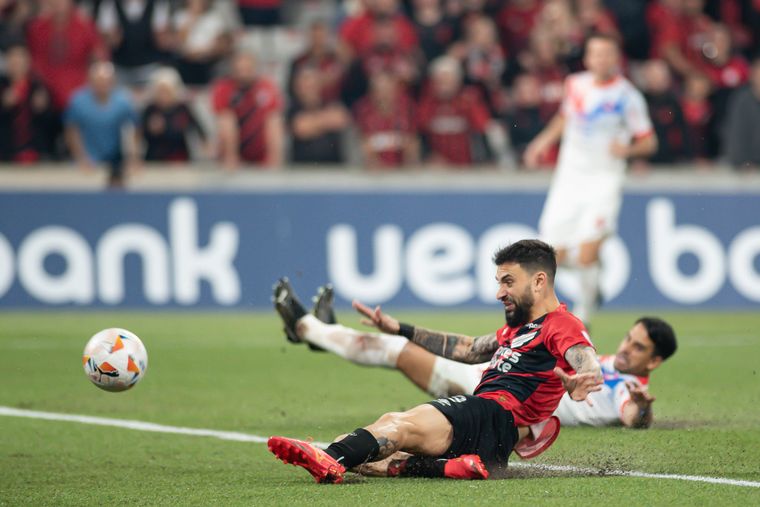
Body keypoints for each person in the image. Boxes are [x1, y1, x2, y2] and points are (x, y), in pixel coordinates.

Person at [269, 239, 603, 483]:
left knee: (396, 424)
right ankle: (452, 466)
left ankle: (328, 459)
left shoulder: (561, 324)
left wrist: (585, 376)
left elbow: (584, 355)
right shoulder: (520, 329)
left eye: (508, 282)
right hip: (493, 439)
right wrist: (400, 329)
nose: (499, 292)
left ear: (539, 281)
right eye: (499, 282)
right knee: (371, 451)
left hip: (493, 414)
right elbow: (468, 348)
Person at [284, 284, 677, 430]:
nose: (626, 348)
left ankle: (308, 329)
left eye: (638, 347)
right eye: (629, 338)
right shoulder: (598, 357)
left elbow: (632, 417)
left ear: (654, 363)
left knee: (397, 352)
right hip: (495, 378)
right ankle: (324, 335)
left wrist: (643, 411)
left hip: (499, 398)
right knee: (400, 347)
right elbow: (469, 346)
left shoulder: (629, 387)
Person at [524, 34, 657, 325]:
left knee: (585, 252)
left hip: (604, 181)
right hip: (569, 178)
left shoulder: (627, 96)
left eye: (607, 54)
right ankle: (594, 279)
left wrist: (629, 149)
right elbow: (564, 118)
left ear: (616, 58)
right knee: (551, 257)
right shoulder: (575, 84)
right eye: (596, 54)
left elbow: (649, 142)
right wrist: (541, 143)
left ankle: (584, 313)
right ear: (587, 58)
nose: (601, 60)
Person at [64, 61, 140, 187]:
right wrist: (81, 157)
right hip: (87, 159)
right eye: (99, 80)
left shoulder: (123, 101)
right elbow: (72, 131)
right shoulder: (78, 101)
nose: (102, 84)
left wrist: (133, 158)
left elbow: (133, 130)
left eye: (106, 81)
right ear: (91, 81)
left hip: (115, 161)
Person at [211, 51, 284, 169]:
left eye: (247, 69)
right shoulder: (223, 88)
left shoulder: (267, 87)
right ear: (233, 69)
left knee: (275, 121)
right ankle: (231, 159)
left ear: (255, 69)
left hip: (261, 154)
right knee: (227, 121)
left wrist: (274, 158)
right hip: (234, 154)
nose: (243, 75)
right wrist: (231, 157)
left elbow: (273, 123)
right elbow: (225, 123)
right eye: (240, 70)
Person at [140, 66, 207, 163]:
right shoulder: (150, 110)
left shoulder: (183, 109)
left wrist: (205, 144)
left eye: (167, 91)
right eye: (160, 91)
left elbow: (198, 128)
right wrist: (150, 129)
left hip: (180, 158)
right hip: (155, 159)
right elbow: (140, 134)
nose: (163, 96)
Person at [723, 58, 760, 170]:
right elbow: (735, 134)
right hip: (746, 167)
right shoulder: (741, 100)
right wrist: (743, 162)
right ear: (752, 76)